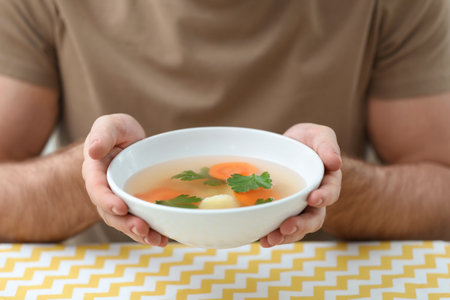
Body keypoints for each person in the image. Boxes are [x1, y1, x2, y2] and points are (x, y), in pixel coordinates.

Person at [0, 0, 449, 247]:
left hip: (311, 283)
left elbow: (441, 192)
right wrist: (106, 177)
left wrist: (322, 184)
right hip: (124, 278)